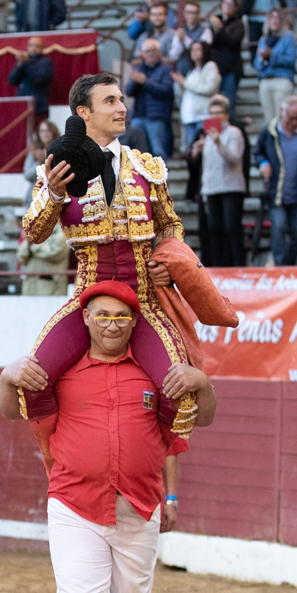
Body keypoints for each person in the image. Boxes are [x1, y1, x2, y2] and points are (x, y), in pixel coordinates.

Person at [0, 280, 215, 593]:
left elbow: (201, 418)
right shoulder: (63, 373)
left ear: (134, 322)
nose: (111, 325)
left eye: (121, 317)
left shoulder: (155, 375)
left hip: (138, 504)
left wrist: (203, 383)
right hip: (75, 503)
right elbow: (12, 410)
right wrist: (7, 376)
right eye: (102, 316)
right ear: (86, 320)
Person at [21, 72, 201, 442]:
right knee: (32, 382)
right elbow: (34, 233)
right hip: (87, 300)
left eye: (121, 99)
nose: (122, 108)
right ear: (83, 112)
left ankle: (149, 464)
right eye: (110, 101)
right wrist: (54, 194)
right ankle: (60, 462)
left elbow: (170, 225)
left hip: (143, 300)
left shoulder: (148, 167)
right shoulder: (57, 169)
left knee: (182, 396)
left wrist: (167, 262)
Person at [255, 96, 297, 266]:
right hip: (277, 192)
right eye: (291, 117)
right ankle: (280, 265)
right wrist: (263, 163)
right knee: (278, 227)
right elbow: (258, 153)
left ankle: (290, 264)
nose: (294, 122)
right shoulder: (269, 132)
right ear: (282, 112)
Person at [193, 95, 246, 267]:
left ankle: (238, 265)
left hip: (231, 187)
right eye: (212, 113)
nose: (214, 116)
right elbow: (207, 165)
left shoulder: (234, 133)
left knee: (232, 227)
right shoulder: (208, 136)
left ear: (226, 115)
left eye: (218, 113)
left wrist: (218, 143)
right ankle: (217, 267)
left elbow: (234, 159)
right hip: (212, 188)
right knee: (214, 229)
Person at [126, 39, 174, 162]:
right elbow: (129, 91)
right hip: (138, 116)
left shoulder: (166, 69)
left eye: (153, 51)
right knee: (138, 153)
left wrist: (145, 82)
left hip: (157, 117)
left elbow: (166, 90)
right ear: (143, 54)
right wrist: (134, 82)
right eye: (147, 51)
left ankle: (160, 174)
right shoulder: (138, 68)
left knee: (158, 151)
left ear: (159, 52)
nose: (150, 54)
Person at [253, 8, 296, 130]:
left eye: (278, 17)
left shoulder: (288, 38)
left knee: (281, 117)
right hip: (265, 79)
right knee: (269, 121)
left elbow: (291, 60)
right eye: (272, 17)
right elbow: (257, 63)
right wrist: (262, 59)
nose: (275, 20)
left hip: (281, 79)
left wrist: (272, 56)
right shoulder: (263, 39)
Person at [174, 41, 219, 153]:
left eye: (198, 49)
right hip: (190, 117)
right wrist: (180, 84)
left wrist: (184, 82)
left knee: (203, 151)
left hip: (203, 116)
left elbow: (209, 89)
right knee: (193, 151)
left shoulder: (210, 67)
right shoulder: (192, 70)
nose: (194, 52)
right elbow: (188, 90)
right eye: (192, 49)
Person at [8, 36, 54, 121]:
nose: (33, 48)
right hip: (22, 108)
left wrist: (25, 63)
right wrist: (19, 65)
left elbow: (39, 78)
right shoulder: (24, 61)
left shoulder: (46, 63)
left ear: (42, 48)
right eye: (31, 45)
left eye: (37, 46)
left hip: (38, 109)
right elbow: (12, 80)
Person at [209, 0, 244, 109]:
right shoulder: (216, 21)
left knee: (229, 103)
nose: (227, 6)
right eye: (226, 3)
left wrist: (220, 30)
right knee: (215, 102)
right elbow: (211, 43)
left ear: (235, 8)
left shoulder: (238, 24)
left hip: (231, 69)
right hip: (216, 68)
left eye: (231, 4)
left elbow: (234, 41)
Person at [17, 221, 69, 295]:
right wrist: (28, 244)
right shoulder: (33, 224)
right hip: (30, 286)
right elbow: (21, 256)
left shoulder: (61, 227)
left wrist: (33, 244)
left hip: (51, 287)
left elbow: (57, 251)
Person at [168, 1, 212, 75]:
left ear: (199, 14)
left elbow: (203, 52)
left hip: (199, 73)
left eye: (194, 13)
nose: (191, 15)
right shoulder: (180, 31)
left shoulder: (205, 30)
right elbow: (173, 56)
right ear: (184, 14)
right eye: (189, 12)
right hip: (182, 71)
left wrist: (185, 39)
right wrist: (180, 43)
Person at [24, 119, 61, 198]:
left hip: (54, 194)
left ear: (53, 132)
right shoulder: (34, 151)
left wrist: (49, 162)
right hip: (36, 194)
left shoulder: (60, 150)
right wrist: (39, 164)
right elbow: (27, 175)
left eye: (48, 130)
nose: (45, 134)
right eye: (42, 131)